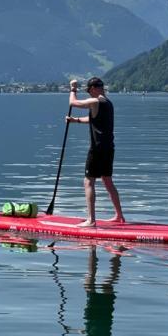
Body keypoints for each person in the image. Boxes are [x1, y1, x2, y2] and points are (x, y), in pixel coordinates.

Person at [67, 77, 125, 227]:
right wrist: (76, 120)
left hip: (97, 149)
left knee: (88, 181)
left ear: (93, 88)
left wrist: (73, 89)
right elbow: (94, 119)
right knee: (107, 181)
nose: (89, 94)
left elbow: (73, 103)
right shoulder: (108, 103)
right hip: (109, 148)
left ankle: (91, 220)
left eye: (88, 91)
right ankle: (119, 216)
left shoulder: (95, 102)